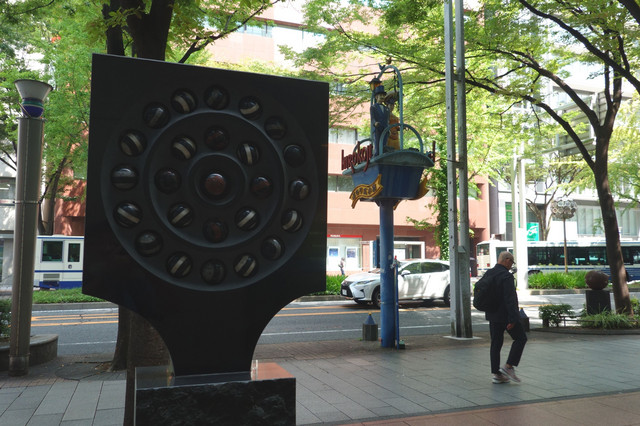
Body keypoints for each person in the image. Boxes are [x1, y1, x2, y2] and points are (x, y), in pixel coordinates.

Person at [486, 251, 527, 384]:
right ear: (507, 260)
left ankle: (496, 374)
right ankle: (508, 366)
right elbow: (510, 299)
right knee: (521, 338)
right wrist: (513, 318)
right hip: (505, 316)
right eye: (512, 262)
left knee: (496, 343)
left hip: (492, 315)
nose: (511, 265)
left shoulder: (489, 273)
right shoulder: (506, 276)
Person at [370, 85, 390, 155]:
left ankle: (383, 154)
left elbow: (387, 119)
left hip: (385, 128)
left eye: (383, 95)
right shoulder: (373, 107)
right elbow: (372, 117)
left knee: (384, 144)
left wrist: (388, 127)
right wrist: (375, 123)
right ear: (376, 97)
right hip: (377, 128)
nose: (382, 97)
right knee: (377, 144)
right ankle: (377, 155)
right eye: (380, 95)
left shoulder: (386, 108)